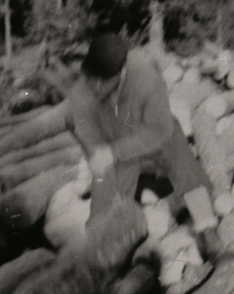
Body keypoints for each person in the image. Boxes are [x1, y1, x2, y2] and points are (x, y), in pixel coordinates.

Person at [63, 29, 212, 219]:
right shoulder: (86, 91)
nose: (97, 86)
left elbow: (161, 130)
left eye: (104, 80)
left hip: (151, 153)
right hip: (123, 163)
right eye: (94, 79)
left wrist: (113, 152)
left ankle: (205, 222)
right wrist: (89, 171)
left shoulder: (145, 78)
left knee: (174, 137)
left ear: (121, 72)